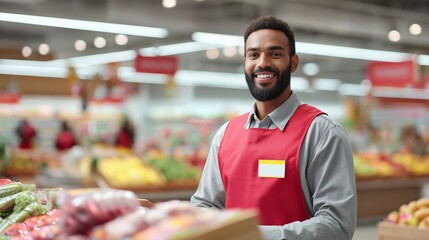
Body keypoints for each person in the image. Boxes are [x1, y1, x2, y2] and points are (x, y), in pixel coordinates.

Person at [142, 16, 357, 240]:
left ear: (293, 62)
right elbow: (206, 206)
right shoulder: (226, 134)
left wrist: (247, 234)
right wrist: (164, 215)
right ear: (245, 62)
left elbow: (337, 225)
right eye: (253, 54)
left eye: (275, 53)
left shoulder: (321, 133)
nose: (262, 63)